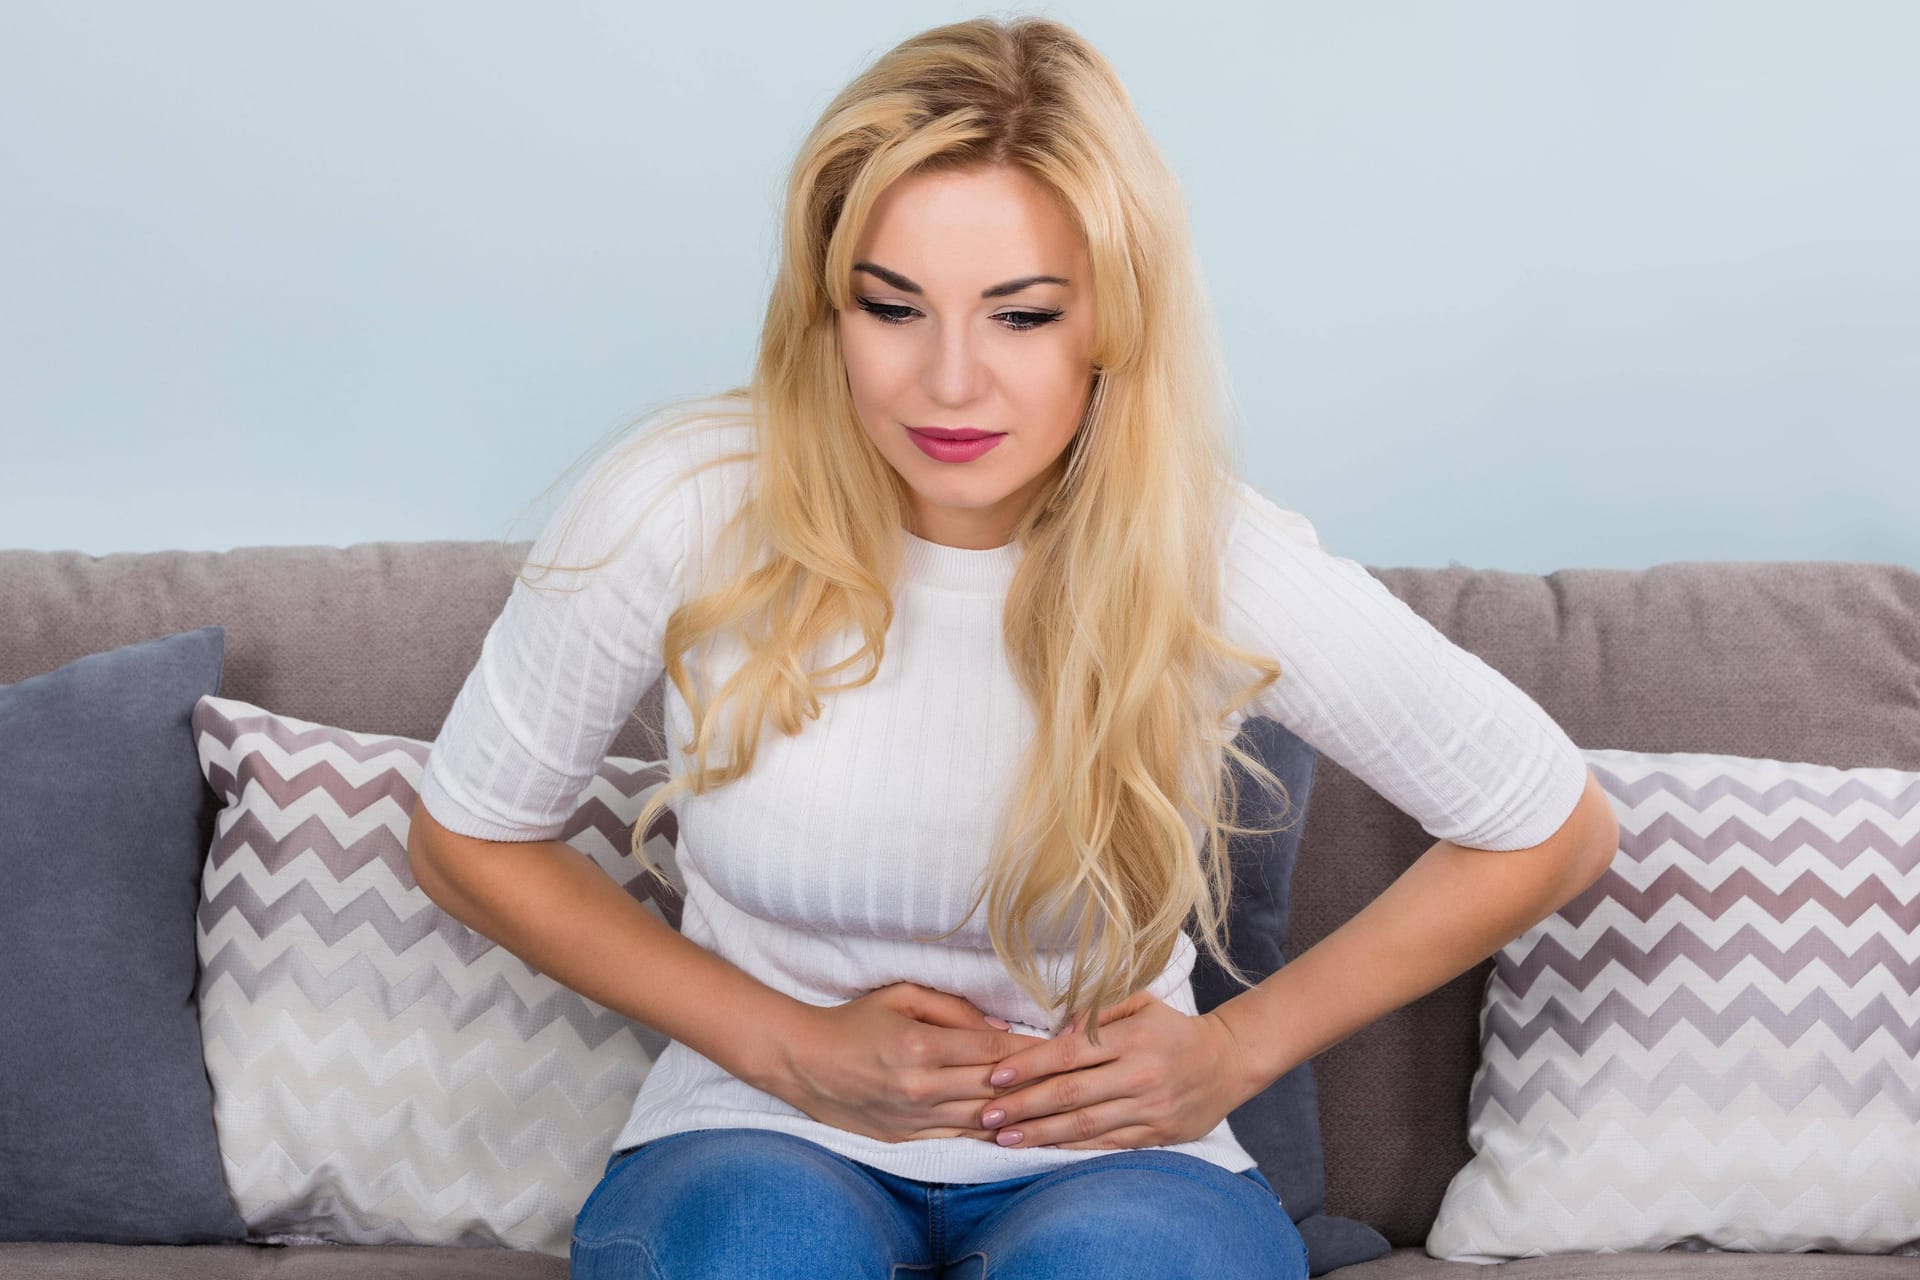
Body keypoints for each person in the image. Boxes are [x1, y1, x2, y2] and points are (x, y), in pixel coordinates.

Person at [408, 15, 1619, 1279]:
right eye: (893, 307)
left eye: (1022, 316)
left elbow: (1551, 820)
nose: (949, 382)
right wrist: (783, 1044)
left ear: (1111, 321)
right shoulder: (686, 499)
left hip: (1125, 1170)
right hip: (757, 1130)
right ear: (827, 308)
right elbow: (468, 833)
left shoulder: (1208, 553)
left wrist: (1237, 1050)